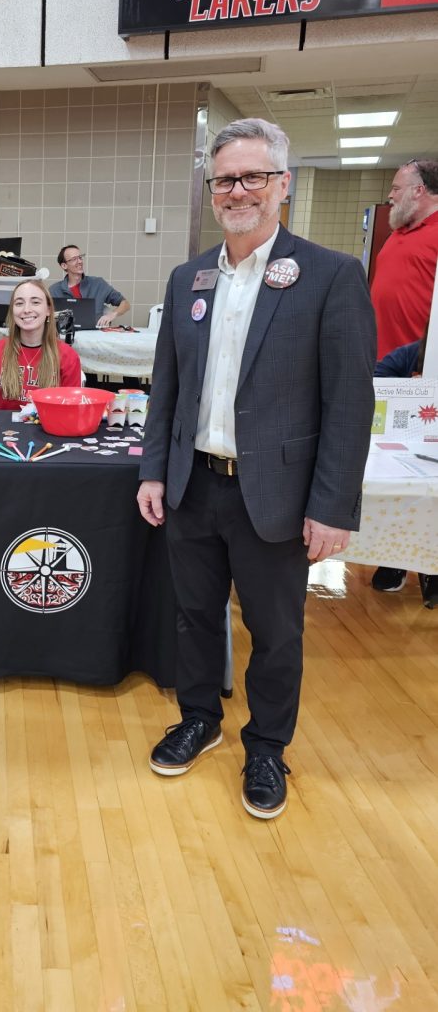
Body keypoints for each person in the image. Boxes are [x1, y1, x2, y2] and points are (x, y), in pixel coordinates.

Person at [137, 117, 375, 820]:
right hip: (192, 485)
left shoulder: (329, 276)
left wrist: (333, 506)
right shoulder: (189, 279)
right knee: (193, 617)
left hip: (274, 495)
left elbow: (349, 404)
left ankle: (267, 746)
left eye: (252, 177)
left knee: (275, 633)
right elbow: (166, 390)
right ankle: (199, 718)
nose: (237, 191)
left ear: (283, 186)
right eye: (225, 180)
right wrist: (155, 470)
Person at [370, 326, 437, 606]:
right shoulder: (411, 353)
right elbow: (376, 379)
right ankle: (393, 559)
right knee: (401, 492)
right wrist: (410, 390)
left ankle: (430, 567)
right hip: (409, 449)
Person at [370, 159, 438, 359]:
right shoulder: (398, 233)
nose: (390, 195)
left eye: (396, 188)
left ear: (418, 191)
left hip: (417, 365)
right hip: (380, 357)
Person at [0, 279, 81, 410]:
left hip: (50, 429)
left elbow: (70, 410)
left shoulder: (68, 357)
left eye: (35, 302)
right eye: (19, 303)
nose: (26, 310)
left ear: (48, 310)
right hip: (2, 429)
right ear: (12, 310)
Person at [49, 245, 130, 328]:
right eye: (74, 259)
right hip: (65, 336)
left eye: (80, 257)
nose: (80, 261)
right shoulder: (54, 290)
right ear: (64, 265)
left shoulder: (98, 284)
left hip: (94, 336)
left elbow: (125, 303)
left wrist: (111, 315)